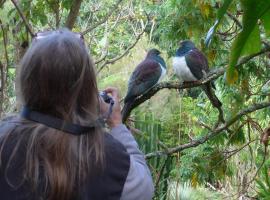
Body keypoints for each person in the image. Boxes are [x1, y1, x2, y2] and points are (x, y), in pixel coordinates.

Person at [0, 29, 154, 200]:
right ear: (89, 90)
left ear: (26, 81)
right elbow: (144, 188)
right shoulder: (109, 156)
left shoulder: (4, 139)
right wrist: (116, 123)